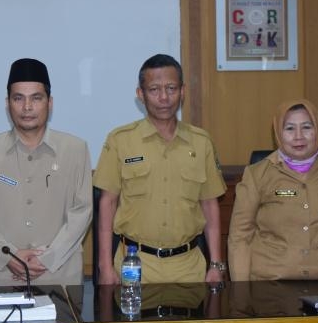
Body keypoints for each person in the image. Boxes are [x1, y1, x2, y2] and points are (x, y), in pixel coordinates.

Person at [93, 54, 226, 285]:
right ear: (140, 94)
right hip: (134, 264)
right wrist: (105, 266)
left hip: (189, 266)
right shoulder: (120, 140)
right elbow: (107, 203)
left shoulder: (201, 142)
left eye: (171, 88)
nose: (164, 97)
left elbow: (209, 205)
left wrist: (216, 264)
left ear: (182, 91)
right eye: (154, 89)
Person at [0, 58, 92, 287]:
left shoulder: (75, 149)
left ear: (49, 103)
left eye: (36, 98)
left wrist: (48, 258)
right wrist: (9, 255)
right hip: (3, 276)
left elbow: (82, 212)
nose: (27, 107)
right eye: (18, 98)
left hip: (60, 275)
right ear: (8, 103)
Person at [228, 100, 318, 281]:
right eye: (290, 128)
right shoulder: (256, 175)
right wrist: (241, 291)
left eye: (307, 127)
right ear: (278, 133)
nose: (299, 136)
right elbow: (240, 237)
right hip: (270, 286)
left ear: (317, 129)